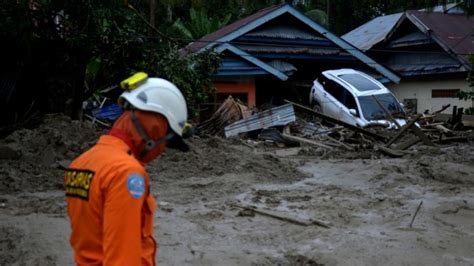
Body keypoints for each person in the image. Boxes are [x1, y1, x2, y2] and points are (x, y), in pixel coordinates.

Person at [64, 74, 189, 265]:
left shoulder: (82, 162)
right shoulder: (126, 173)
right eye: (166, 142)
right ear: (156, 128)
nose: (161, 150)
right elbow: (122, 258)